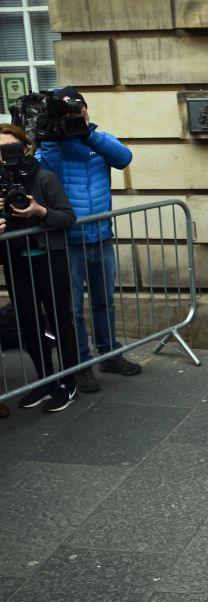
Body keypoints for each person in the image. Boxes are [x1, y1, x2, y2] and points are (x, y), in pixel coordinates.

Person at [35, 86, 137, 395]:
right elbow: (46, 175)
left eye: (79, 112)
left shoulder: (95, 140)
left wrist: (87, 133)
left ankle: (110, 354)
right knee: (72, 309)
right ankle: (81, 365)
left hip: (101, 236)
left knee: (104, 301)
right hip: (68, 240)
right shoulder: (50, 149)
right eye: (69, 116)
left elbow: (124, 158)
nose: (75, 119)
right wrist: (53, 136)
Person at [0, 124, 80, 412]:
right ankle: (45, 382)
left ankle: (68, 383)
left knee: (60, 321)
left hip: (49, 259)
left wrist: (40, 211)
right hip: (15, 261)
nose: (5, 155)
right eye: (0, 150)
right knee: (30, 324)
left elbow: (69, 218)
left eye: (10, 148)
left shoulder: (45, 178)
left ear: (25, 148)